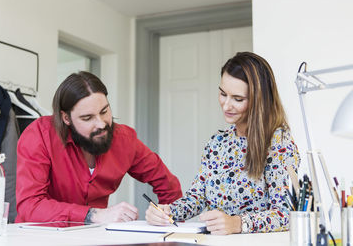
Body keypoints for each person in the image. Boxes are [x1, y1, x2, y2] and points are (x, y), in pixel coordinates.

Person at [145, 52, 300, 235]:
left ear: (260, 100)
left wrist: (237, 223)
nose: (226, 105)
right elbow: (197, 197)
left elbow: (286, 214)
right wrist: (167, 212)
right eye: (222, 94)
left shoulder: (278, 143)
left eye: (238, 99)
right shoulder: (217, 143)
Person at [16, 71, 182, 224]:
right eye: (87, 118)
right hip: (40, 238)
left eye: (104, 111)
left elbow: (169, 187)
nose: (101, 124)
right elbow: (30, 206)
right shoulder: (39, 135)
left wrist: (167, 222)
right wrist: (92, 215)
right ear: (66, 118)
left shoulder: (124, 140)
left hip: (95, 237)